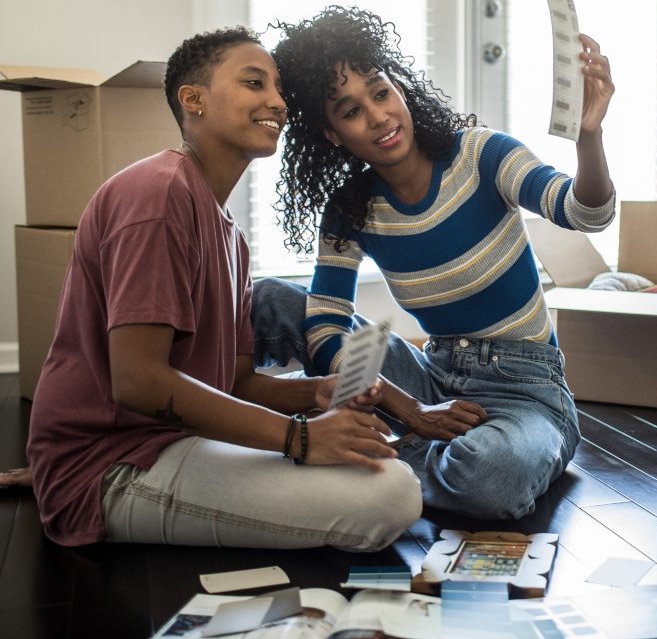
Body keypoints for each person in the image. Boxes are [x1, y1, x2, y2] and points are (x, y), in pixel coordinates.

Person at [24, 27, 421, 549]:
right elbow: (137, 382)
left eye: (279, 89)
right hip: (108, 468)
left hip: (176, 443)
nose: (278, 102)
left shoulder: (230, 235)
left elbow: (234, 382)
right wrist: (300, 437)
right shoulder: (157, 194)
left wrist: (314, 393)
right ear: (194, 100)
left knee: (378, 467)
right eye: (255, 83)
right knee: (391, 495)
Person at [256, 5, 616, 520]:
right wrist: (413, 410)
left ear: (398, 89)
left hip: (526, 393)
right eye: (351, 111)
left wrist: (589, 136)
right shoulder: (350, 209)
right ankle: (359, 436)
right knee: (271, 300)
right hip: (429, 378)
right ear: (332, 134)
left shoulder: (482, 155)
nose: (379, 117)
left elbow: (585, 212)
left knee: (489, 477)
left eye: (380, 93)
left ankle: (354, 447)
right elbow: (325, 328)